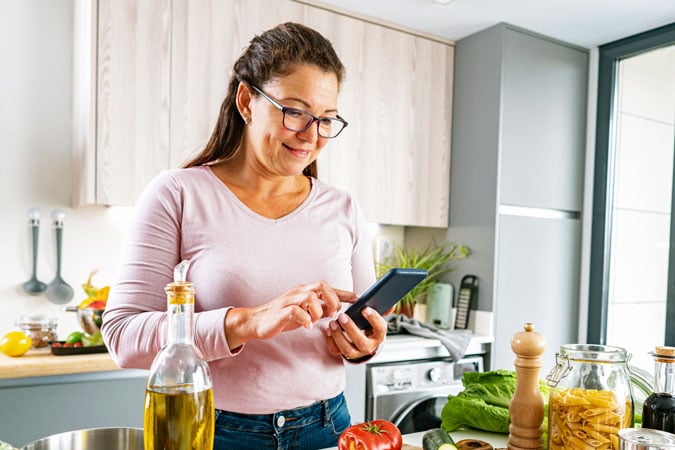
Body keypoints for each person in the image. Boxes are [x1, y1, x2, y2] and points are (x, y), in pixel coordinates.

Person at [101, 22, 390, 450]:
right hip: (215, 430)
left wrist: (363, 344)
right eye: (294, 111)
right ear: (246, 101)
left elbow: (363, 328)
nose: (311, 135)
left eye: (326, 120)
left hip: (329, 427)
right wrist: (249, 321)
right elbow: (124, 336)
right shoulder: (179, 193)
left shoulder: (344, 208)